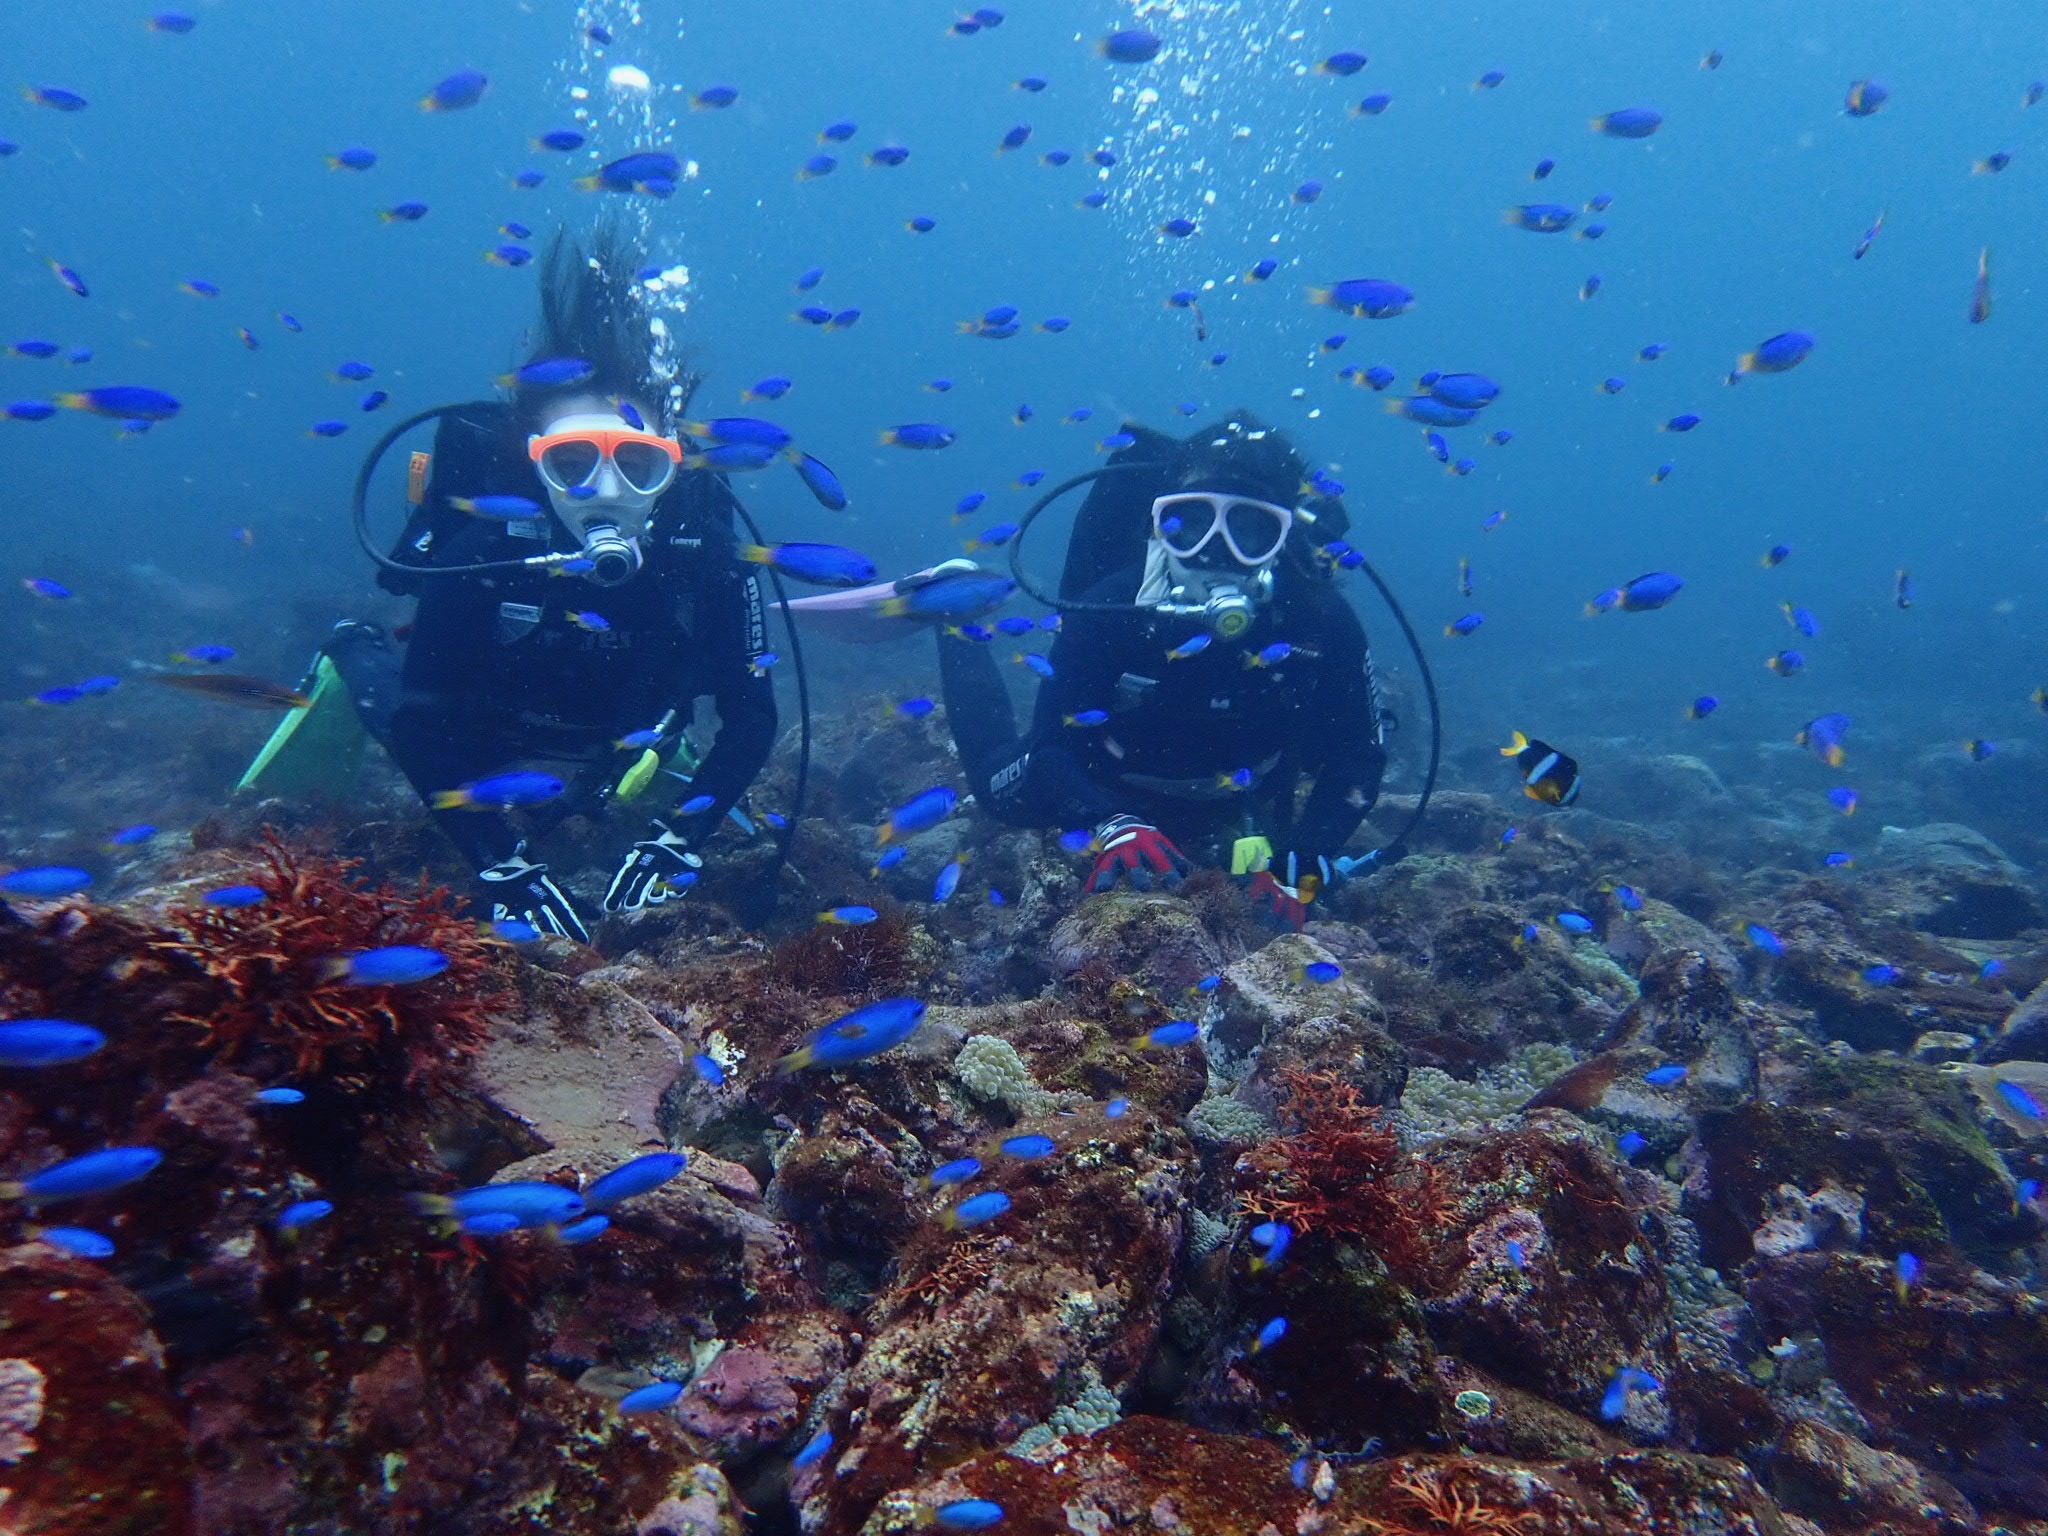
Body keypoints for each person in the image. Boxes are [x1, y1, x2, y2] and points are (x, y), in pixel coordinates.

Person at [306, 227, 778, 942]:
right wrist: (498, 860)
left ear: (672, 471)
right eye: (573, 463)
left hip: (617, 733)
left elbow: (752, 716)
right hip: (485, 735)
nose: (607, 492)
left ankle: (646, 751)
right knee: (388, 699)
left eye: (640, 466)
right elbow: (420, 725)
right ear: (535, 466)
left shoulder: (705, 558)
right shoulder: (488, 550)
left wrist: (678, 838)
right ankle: (350, 646)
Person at [936, 414, 1386, 925]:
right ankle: (952, 604)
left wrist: (1303, 859)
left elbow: (1359, 758)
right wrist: (1109, 821)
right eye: (1191, 522)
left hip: (1236, 801)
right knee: (997, 790)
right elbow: (1050, 742)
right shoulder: (1112, 605)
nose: (1216, 549)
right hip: (1104, 784)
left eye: (1250, 529)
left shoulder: (1319, 622)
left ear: (1282, 539)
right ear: (1159, 524)